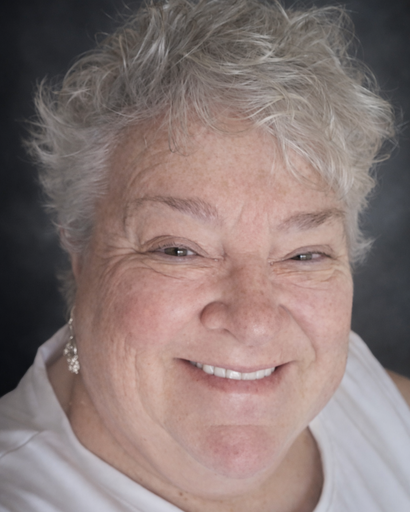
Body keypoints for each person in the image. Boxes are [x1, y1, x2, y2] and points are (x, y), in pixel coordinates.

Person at [1, 0, 409, 510]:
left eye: (303, 255)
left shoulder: (365, 398)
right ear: (80, 252)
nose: (255, 322)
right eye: (180, 250)